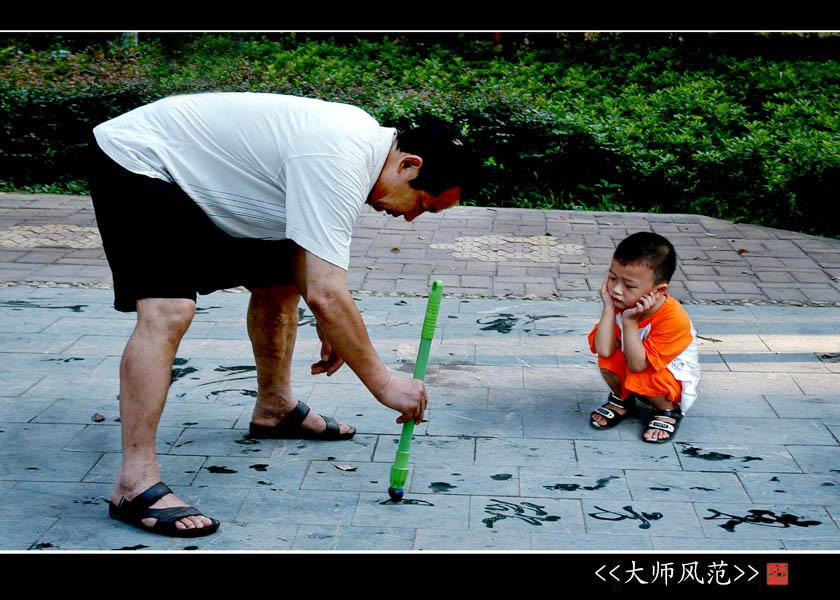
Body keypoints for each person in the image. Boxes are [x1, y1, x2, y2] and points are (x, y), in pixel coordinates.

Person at [86, 92, 473, 537]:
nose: (410, 219)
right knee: (169, 309)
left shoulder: (360, 149)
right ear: (410, 166)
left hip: (215, 175)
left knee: (281, 282)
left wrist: (334, 321)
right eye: (423, 204)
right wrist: (386, 384)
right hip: (141, 159)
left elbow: (316, 282)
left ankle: (275, 408)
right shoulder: (340, 158)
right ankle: (134, 484)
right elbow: (328, 293)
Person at [587, 231, 700, 443]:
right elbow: (603, 350)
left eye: (628, 285)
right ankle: (623, 398)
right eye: (612, 278)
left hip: (669, 377)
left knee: (644, 373)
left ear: (659, 290)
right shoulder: (622, 304)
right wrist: (608, 309)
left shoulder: (673, 318)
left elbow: (639, 365)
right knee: (607, 359)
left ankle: (667, 410)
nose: (617, 290)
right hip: (635, 364)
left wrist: (629, 322)